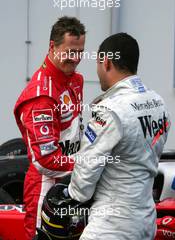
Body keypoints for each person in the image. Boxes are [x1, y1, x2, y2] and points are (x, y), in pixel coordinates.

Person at [66, 33, 171, 240]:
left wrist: (67, 193)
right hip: (146, 222)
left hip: (111, 227)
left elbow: (82, 185)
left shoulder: (109, 109)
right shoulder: (158, 102)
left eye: (98, 63)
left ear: (106, 62)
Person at [14, 16, 86, 240]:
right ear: (52, 47)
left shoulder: (75, 80)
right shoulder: (41, 96)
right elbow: (44, 160)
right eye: (70, 52)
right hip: (45, 189)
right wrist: (90, 165)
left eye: (80, 52)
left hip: (72, 183)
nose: (75, 59)